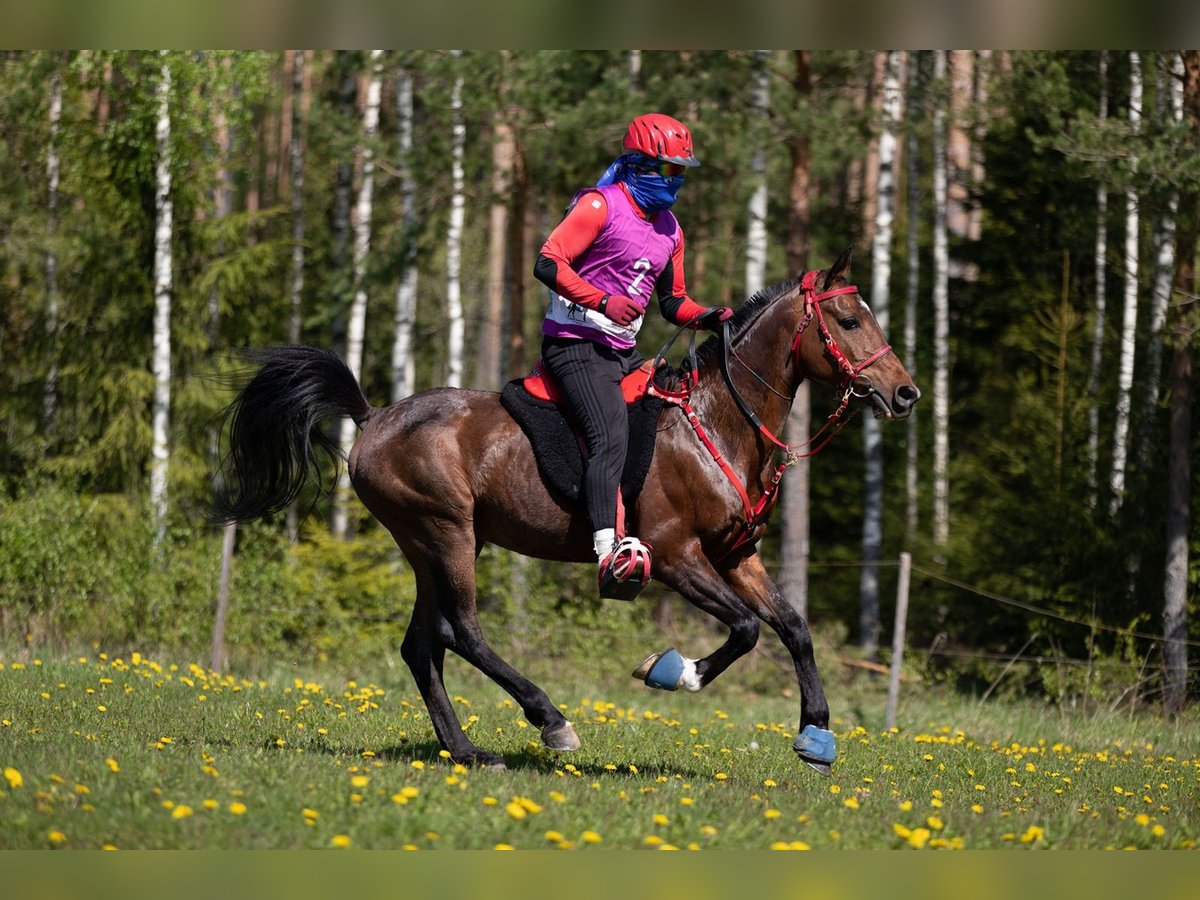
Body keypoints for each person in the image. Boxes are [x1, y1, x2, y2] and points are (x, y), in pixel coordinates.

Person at [533, 113, 733, 600]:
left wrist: (710, 316)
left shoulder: (670, 230)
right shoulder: (599, 206)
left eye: (682, 173)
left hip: (623, 352)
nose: (676, 181)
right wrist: (600, 301)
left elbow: (672, 303)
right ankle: (608, 552)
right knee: (610, 435)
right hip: (575, 345)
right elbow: (547, 261)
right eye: (669, 170)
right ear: (640, 163)